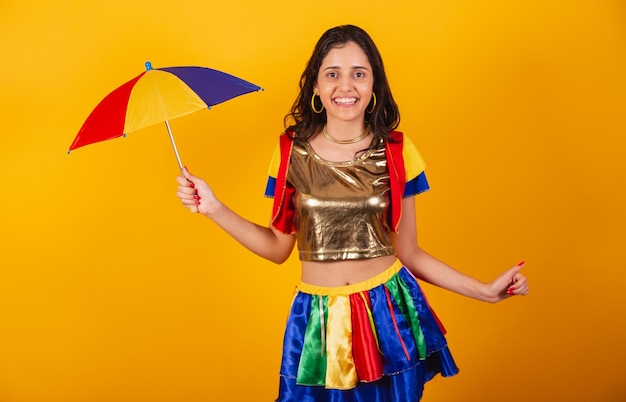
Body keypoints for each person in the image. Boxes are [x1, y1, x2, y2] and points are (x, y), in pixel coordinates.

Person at [176, 24, 528, 402]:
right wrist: (213, 208)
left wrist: (486, 291)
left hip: (387, 315)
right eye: (332, 74)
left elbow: (410, 252)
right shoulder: (289, 151)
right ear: (315, 86)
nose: (346, 86)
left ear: (374, 84)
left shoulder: (397, 151)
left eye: (358, 74)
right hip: (316, 319)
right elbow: (278, 248)